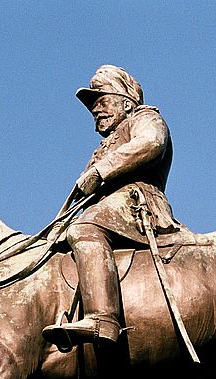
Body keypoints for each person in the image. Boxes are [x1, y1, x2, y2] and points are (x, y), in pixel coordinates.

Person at [42, 64, 181, 348]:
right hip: (109, 211)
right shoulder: (103, 146)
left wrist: (99, 172)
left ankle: (103, 319)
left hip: (137, 204)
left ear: (126, 101)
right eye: (93, 105)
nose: (96, 109)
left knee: (84, 230)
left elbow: (151, 143)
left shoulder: (145, 118)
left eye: (102, 100)